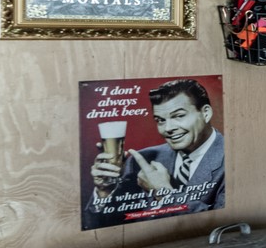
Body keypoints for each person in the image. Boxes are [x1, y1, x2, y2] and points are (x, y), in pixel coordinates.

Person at [88, 79, 225, 223]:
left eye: (179, 116)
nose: (168, 128)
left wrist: (164, 193)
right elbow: (108, 226)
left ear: (206, 113)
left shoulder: (235, 159)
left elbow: (220, 224)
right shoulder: (140, 160)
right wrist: (105, 191)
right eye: (160, 120)